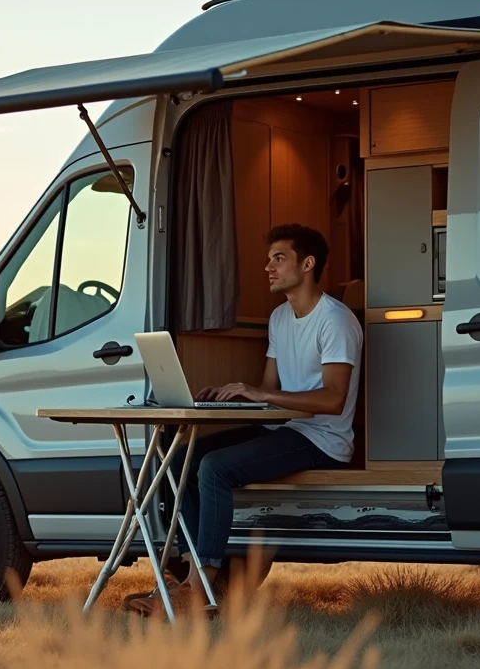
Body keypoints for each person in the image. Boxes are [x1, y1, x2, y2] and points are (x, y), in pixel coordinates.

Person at [128, 223, 363, 615]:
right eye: (268, 258)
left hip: (322, 438)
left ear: (307, 264)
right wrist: (231, 395)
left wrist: (263, 394)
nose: (268, 266)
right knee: (180, 456)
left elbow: (333, 399)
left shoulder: (335, 320)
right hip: (284, 427)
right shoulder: (279, 318)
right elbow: (269, 390)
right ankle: (196, 579)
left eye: (278, 258)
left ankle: (200, 588)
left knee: (214, 467)